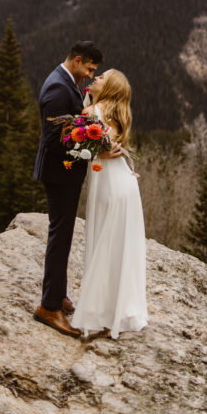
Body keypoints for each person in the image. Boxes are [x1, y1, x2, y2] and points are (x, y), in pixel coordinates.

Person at [33, 40, 106, 337]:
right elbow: (54, 141)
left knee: (63, 236)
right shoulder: (57, 88)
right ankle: (48, 307)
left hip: (67, 175)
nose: (91, 74)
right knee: (59, 237)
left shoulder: (68, 82)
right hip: (59, 175)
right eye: (89, 68)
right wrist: (90, 144)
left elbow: (70, 125)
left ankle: (58, 294)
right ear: (77, 61)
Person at [70, 68, 148, 339]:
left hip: (110, 185)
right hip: (123, 184)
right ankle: (117, 308)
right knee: (119, 246)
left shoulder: (91, 113)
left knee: (104, 242)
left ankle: (99, 310)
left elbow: (78, 149)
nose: (95, 78)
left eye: (101, 77)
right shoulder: (115, 114)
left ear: (109, 88)